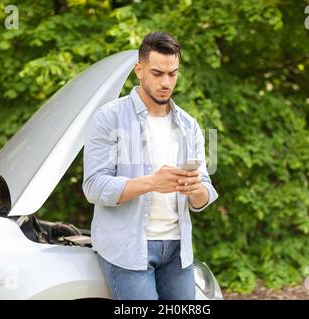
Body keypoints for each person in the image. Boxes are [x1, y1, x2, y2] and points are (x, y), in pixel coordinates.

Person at [82, 31, 218, 300]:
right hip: (128, 251)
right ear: (139, 70)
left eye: (173, 73)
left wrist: (195, 189)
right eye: (157, 73)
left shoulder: (189, 125)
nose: (166, 82)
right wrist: (152, 183)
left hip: (178, 252)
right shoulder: (108, 118)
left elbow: (205, 194)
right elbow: (94, 187)